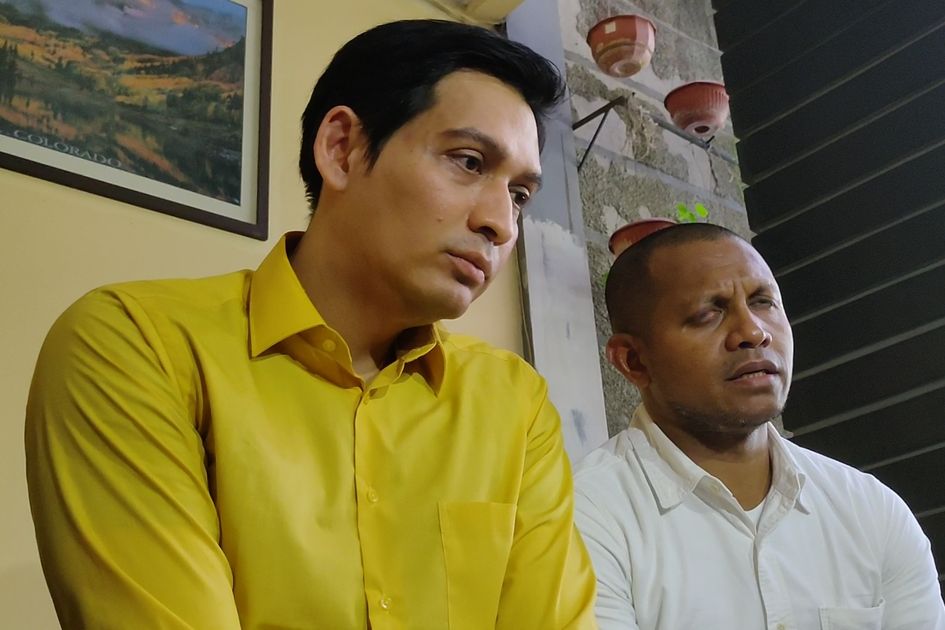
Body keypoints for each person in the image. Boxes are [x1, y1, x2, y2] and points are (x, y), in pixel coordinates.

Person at [25, 20, 597, 629]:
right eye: (469, 161)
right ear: (341, 148)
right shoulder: (138, 346)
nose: (501, 224)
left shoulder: (514, 403)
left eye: (520, 196)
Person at [573, 223, 945, 630]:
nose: (753, 332)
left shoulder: (871, 511)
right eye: (708, 314)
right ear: (633, 361)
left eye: (763, 302)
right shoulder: (587, 515)